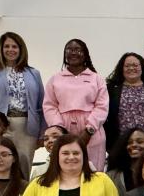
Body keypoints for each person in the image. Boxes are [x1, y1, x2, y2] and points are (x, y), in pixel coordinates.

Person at [0, 32, 45, 176]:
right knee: (0, 162)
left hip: (26, 127)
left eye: (14, 46)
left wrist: (42, 133)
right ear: (1, 50)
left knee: (23, 164)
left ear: (21, 49)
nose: (10, 50)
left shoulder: (34, 73)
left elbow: (41, 105)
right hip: (0, 126)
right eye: (6, 46)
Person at [43, 38, 109, 172]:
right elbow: (49, 105)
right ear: (64, 54)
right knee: (66, 168)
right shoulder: (55, 79)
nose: (73, 52)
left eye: (77, 49)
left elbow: (102, 106)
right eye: (69, 49)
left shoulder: (96, 78)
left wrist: (89, 130)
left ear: (85, 54)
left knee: (93, 171)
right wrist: (60, 130)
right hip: (64, 128)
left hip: (92, 129)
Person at [104, 52, 144, 150]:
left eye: (135, 65)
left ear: (142, 67)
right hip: (120, 143)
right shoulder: (111, 89)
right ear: (121, 68)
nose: (131, 68)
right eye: (127, 66)